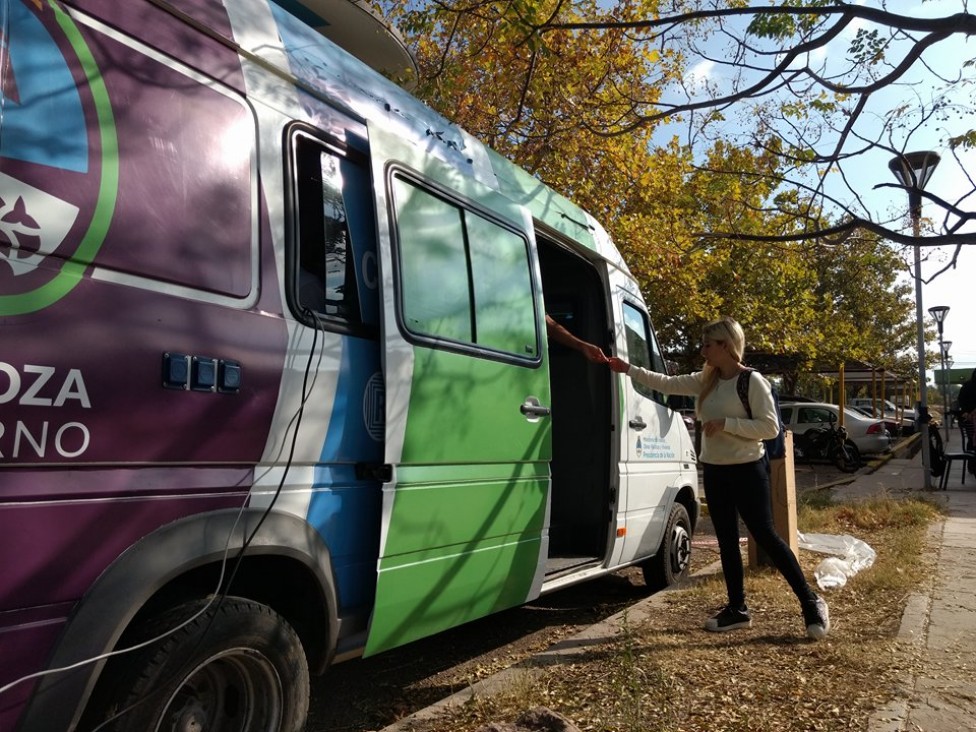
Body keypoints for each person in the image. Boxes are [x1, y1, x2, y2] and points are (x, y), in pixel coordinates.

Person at [608, 316, 830, 639]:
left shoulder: (752, 382)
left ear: (725, 346)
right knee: (726, 541)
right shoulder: (708, 379)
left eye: (707, 345)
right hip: (714, 471)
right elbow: (667, 384)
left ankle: (811, 603)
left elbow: (770, 428)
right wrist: (627, 369)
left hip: (748, 471)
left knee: (766, 536)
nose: (703, 351)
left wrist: (727, 423)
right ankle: (737, 609)